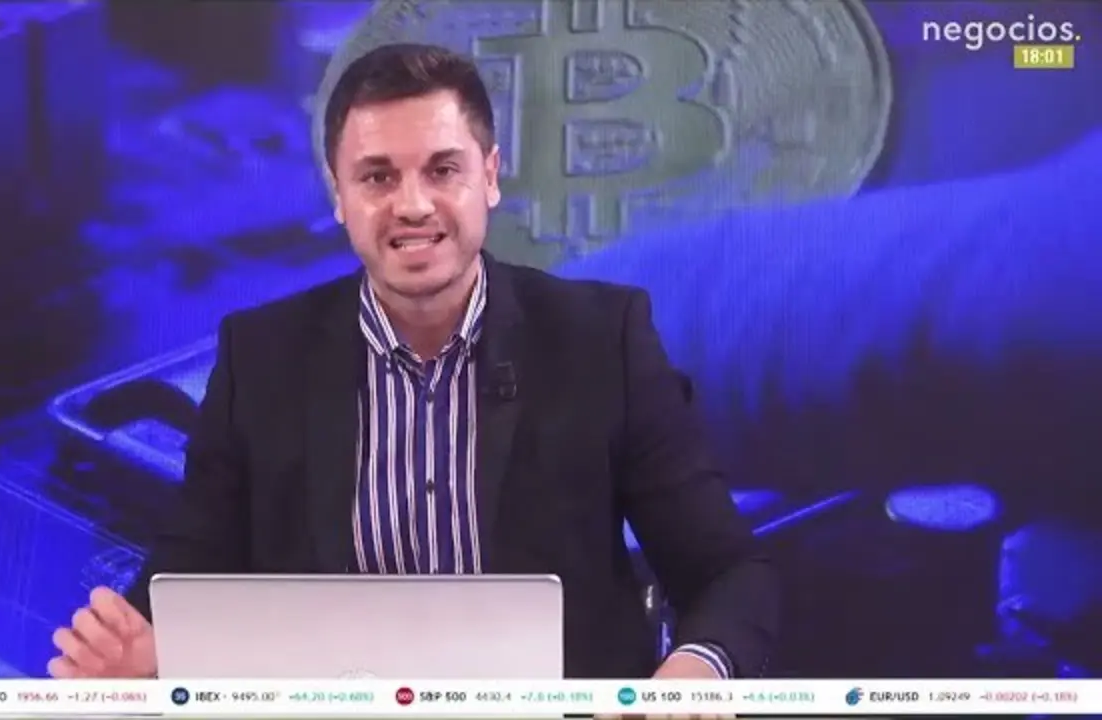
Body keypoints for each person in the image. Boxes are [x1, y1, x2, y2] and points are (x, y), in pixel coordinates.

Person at [49, 42, 778, 685]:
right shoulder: (261, 357)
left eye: (442, 170)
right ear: (339, 196)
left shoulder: (600, 341)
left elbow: (728, 574)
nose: (413, 206)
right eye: (377, 178)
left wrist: (693, 670)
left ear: (490, 177)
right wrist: (139, 653)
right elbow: (183, 579)